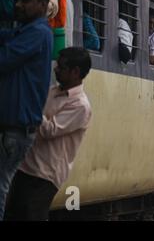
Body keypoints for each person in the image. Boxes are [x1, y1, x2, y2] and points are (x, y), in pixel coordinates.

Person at [5, 47, 92, 221]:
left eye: (61, 67)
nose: (55, 69)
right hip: (26, 166)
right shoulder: (53, 91)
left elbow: (49, 130)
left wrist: (33, 103)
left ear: (75, 72)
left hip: (45, 175)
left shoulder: (81, 106)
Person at [0, 0, 53, 220]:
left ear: (43, 5)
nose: (19, 5)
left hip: (15, 130)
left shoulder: (38, 33)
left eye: (26, 0)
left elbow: (5, 58)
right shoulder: (27, 31)